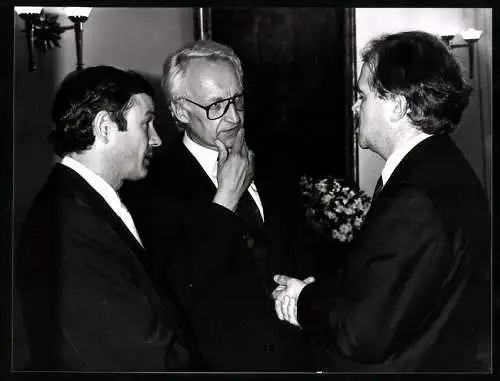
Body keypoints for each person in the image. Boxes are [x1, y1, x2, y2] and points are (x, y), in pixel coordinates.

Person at [272, 31, 491, 372]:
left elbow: (363, 335)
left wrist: (302, 300)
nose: (354, 107)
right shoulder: (441, 168)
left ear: (398, 106)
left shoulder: (414, 197)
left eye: (362, 96)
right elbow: (391, 291)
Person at [119, 40, 317, 371]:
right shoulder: (151, 185)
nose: (234, 117)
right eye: (216, 106)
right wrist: (225, 199)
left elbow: (301, 257)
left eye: (237, 99)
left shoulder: (276, 164)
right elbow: (174, 292)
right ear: (181, 111)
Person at [14, 65, 198, 371]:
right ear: (105, 127)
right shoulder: (71, 223)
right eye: (147, 124)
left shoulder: (86, 205)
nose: (155, 140)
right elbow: (145, 359)